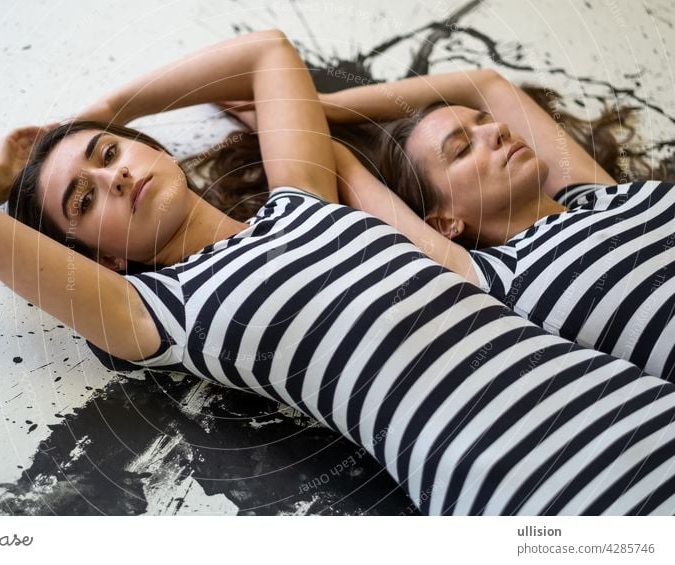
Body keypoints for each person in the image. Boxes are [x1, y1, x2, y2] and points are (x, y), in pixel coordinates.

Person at [0, 30, 675, 515]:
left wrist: (98, 112)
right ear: (103, 258)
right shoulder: (158, 311)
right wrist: (7, 170)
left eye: (113, 152)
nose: (115, 176)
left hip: (640, 407)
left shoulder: (303, 203)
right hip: (534, 494)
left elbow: (266, 54)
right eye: (84, 198)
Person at [225, 69, 674, 383]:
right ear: (444, 221)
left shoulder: (601, 194)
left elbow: (484, 84)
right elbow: (329, 158)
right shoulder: (495, 279)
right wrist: (281, 108)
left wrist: (324, 104)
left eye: (482, 122)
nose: (496, 129)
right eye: (462, 148)